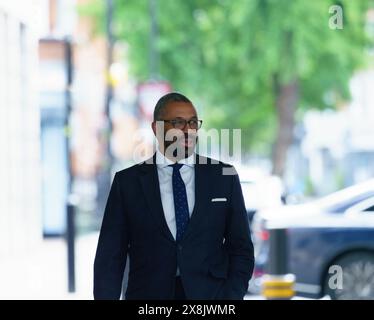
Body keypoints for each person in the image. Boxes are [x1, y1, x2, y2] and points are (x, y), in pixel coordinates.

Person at [94, 92, 254, 300]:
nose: (188, 130)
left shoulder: (223, 177)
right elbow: (110, 257)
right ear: (156, 128)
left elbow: (241, 248)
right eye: (178, 122)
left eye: (193, 122)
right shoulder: (128, 183)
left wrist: (230, 297)